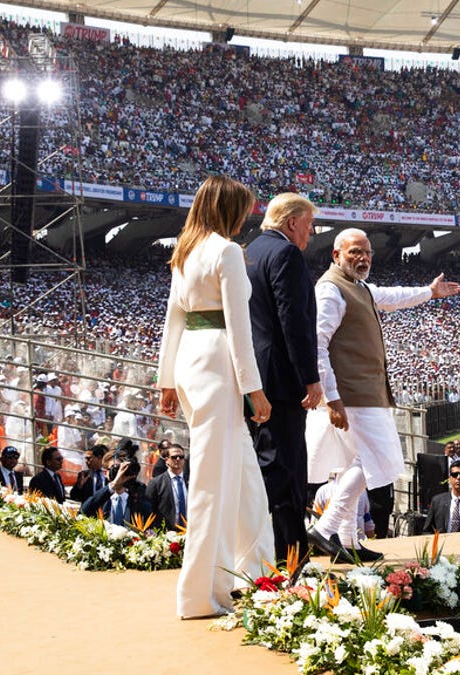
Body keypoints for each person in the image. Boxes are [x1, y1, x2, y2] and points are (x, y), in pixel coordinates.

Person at [305, 227, 460, 562]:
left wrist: (429, 292)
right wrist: (331, 398)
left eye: (367, 252)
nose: (362, 259)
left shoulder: (359, 287)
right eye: (354, 252)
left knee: (353, 464)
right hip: (353, 395)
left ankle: (348, 541)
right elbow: (316, 346)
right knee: (383, 460)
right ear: (336, 255)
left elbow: (391, 296)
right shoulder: (330, 290)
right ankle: (326, 528)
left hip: (363, 393)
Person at [157, 175, 275, 619]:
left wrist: (166, 379)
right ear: (229, 209)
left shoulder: (184, 251)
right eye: (243, 209)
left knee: (244, 476)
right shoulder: (225, 250)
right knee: (212, 483)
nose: (247, 216)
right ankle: (201, 595)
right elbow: (239, 327)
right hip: (220, 366)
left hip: (191, 361)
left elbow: (174, 319)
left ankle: (258, 570)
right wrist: (254, 389)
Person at [244, 192, 324, 563]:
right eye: (309, 225)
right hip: (281, 379)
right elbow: (295, 322)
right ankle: (288, 554)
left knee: (269, 461)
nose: (311, 233)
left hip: (255, 375)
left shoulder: (251, 251)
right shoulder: (286, 254)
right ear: (292, 222)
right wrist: (310, 378)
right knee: (285, 468)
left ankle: (278, 549)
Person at [80, 452, 154, 528]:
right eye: (115, 469)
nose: (120, 474)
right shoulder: (100, 498)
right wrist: (112, 486)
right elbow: (83, 511)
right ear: (105, 473)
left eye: (122, 469)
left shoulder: (138, 498)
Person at [146, 444, 190, 528]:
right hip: (166, 535)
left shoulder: (190, 482)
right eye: (174, 457)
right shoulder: (156, 483)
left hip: (188, 533)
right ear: (166, 460)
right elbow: (149, 510)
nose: (178, 459)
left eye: (181, 457)